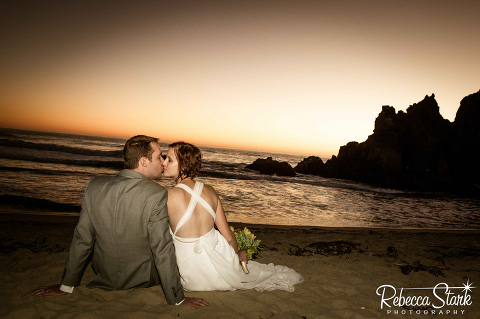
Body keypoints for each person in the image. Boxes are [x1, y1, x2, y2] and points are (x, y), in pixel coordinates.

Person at [32, 135, 208, 308]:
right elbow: (161, 248)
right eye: (158, 156)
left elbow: (82, 239)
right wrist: (177, 298)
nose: (162, 161)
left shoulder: (94, 186)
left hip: (104, 275)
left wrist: (66, 285)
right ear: (144, 162)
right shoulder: (157, 193)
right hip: (144, 279)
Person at [162, 141, 304, 292]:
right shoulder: (210, 191)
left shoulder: (168, 196)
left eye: (169, 159)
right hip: (222, 268)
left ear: (183, 165)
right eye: (165, 157)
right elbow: (228, 236)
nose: (164, 162)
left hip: (192, 276)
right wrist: (235, 259)